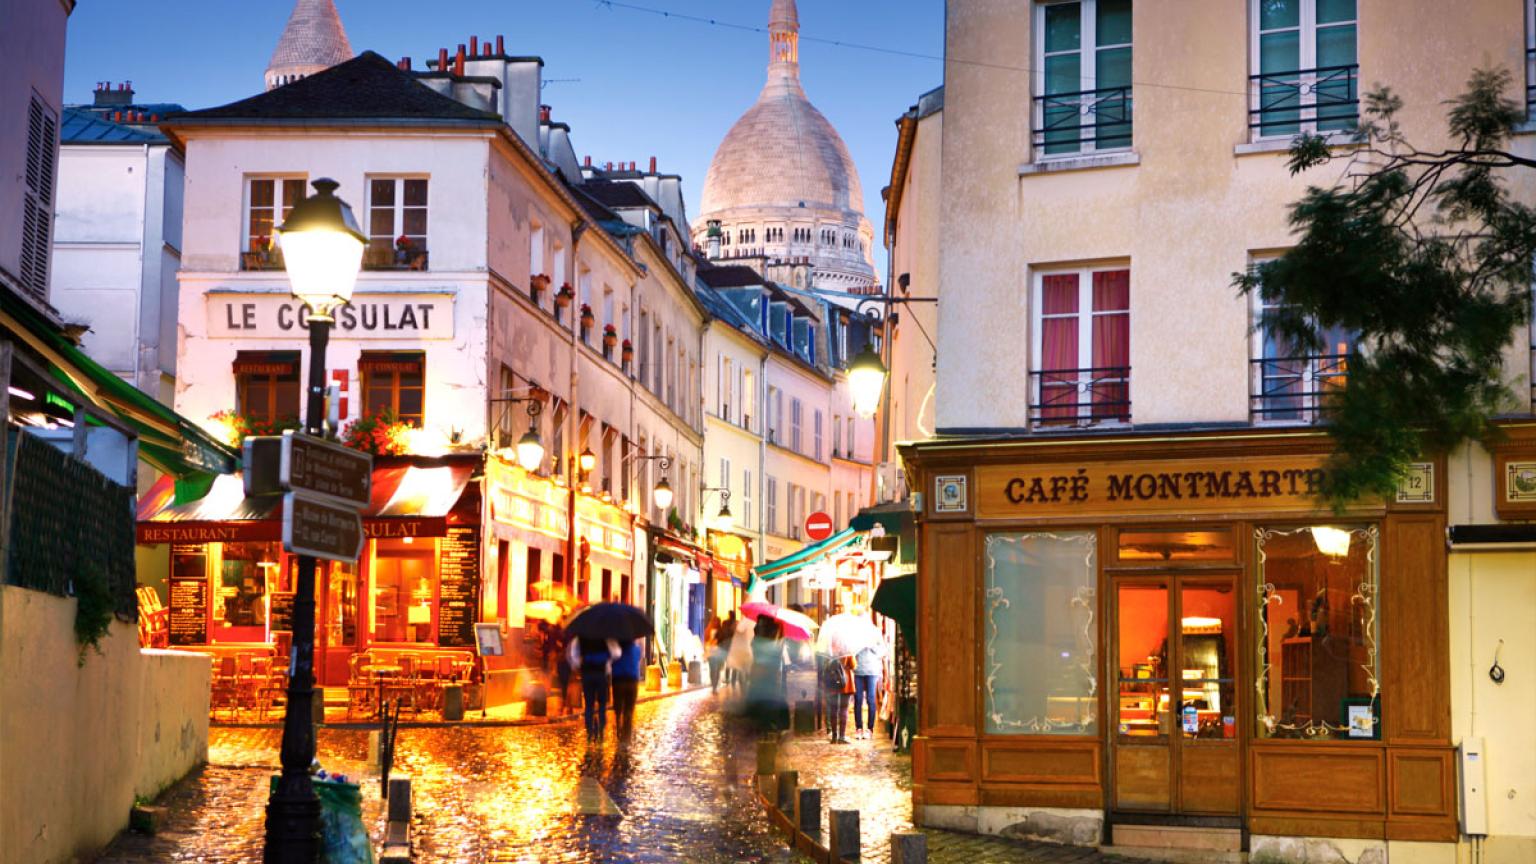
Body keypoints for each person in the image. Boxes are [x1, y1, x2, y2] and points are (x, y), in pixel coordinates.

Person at [567, 635, 621, 739]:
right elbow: (616, 653)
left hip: (587, 674)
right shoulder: (606, 637)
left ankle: (589, 730)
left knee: (589, 704)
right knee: (602, 704)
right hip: (601, 674)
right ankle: (601, 728)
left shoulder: (580, 638)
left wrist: (579, 665)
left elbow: (573, 655)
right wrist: (608, 663)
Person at [746, 617, 789, 730]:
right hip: (770, 674)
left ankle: (765, 727)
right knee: (771, 699)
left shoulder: (759, 637)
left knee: (763, 700)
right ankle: (770, 727)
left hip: (761, 673)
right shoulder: (773, 637)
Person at [610, 638, 643, 737]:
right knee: (629, 708)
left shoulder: (616, 650)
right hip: (632, 681)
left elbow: (611, 661)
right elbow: (639, 659)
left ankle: (618, 724)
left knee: (618, 705)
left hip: (618, 680)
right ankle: (626, 732)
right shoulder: (637, 649)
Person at [852, 643, 884, 740]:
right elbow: (851, 651)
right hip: (858, 671)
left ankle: (870, 729)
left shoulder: (875, 635)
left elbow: (881, 653)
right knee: (858, 699)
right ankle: (859, 728)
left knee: (871, 699)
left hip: (872, 672)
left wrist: (871, 644)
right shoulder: (856, 637)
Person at [822, 653, 855, 743]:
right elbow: (853, 665)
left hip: (832, 681)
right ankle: (842, 737)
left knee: (833, 709)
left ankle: (834, 736)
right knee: (843, 709)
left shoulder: (830, 648)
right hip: (845, 682)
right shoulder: (847, 650)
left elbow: (825, 665)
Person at [725, 615, 756, 694]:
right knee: (743, 672)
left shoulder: (745, 624)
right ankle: (743, 690)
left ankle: (743, 690)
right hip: (746, 652)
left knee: (742, 672)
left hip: (744, 652)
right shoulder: (752, 624)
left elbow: (739, 632)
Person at [709, 613, 736, 693]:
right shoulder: (729, 632)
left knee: (715, 669)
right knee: (718, 669)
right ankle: (718, 684)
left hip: (717, 652)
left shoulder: (720, 631)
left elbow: (714, 640)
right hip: (723, 652)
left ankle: (714, 686)